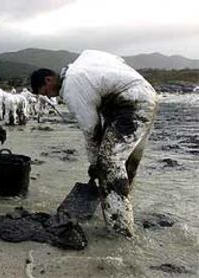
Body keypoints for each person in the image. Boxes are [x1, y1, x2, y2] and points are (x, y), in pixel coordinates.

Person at [30, 50, 158, 236]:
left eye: (46, 91)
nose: (50, 96)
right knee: (128, 163)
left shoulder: (72, 88)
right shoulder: (84, 61)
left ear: (49, 80)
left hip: (130, 104)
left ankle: (119, 232)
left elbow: (91, 130)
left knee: (109, 164)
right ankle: (123, 213)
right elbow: (117, 59)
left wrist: (94, 163)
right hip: (147, 95)